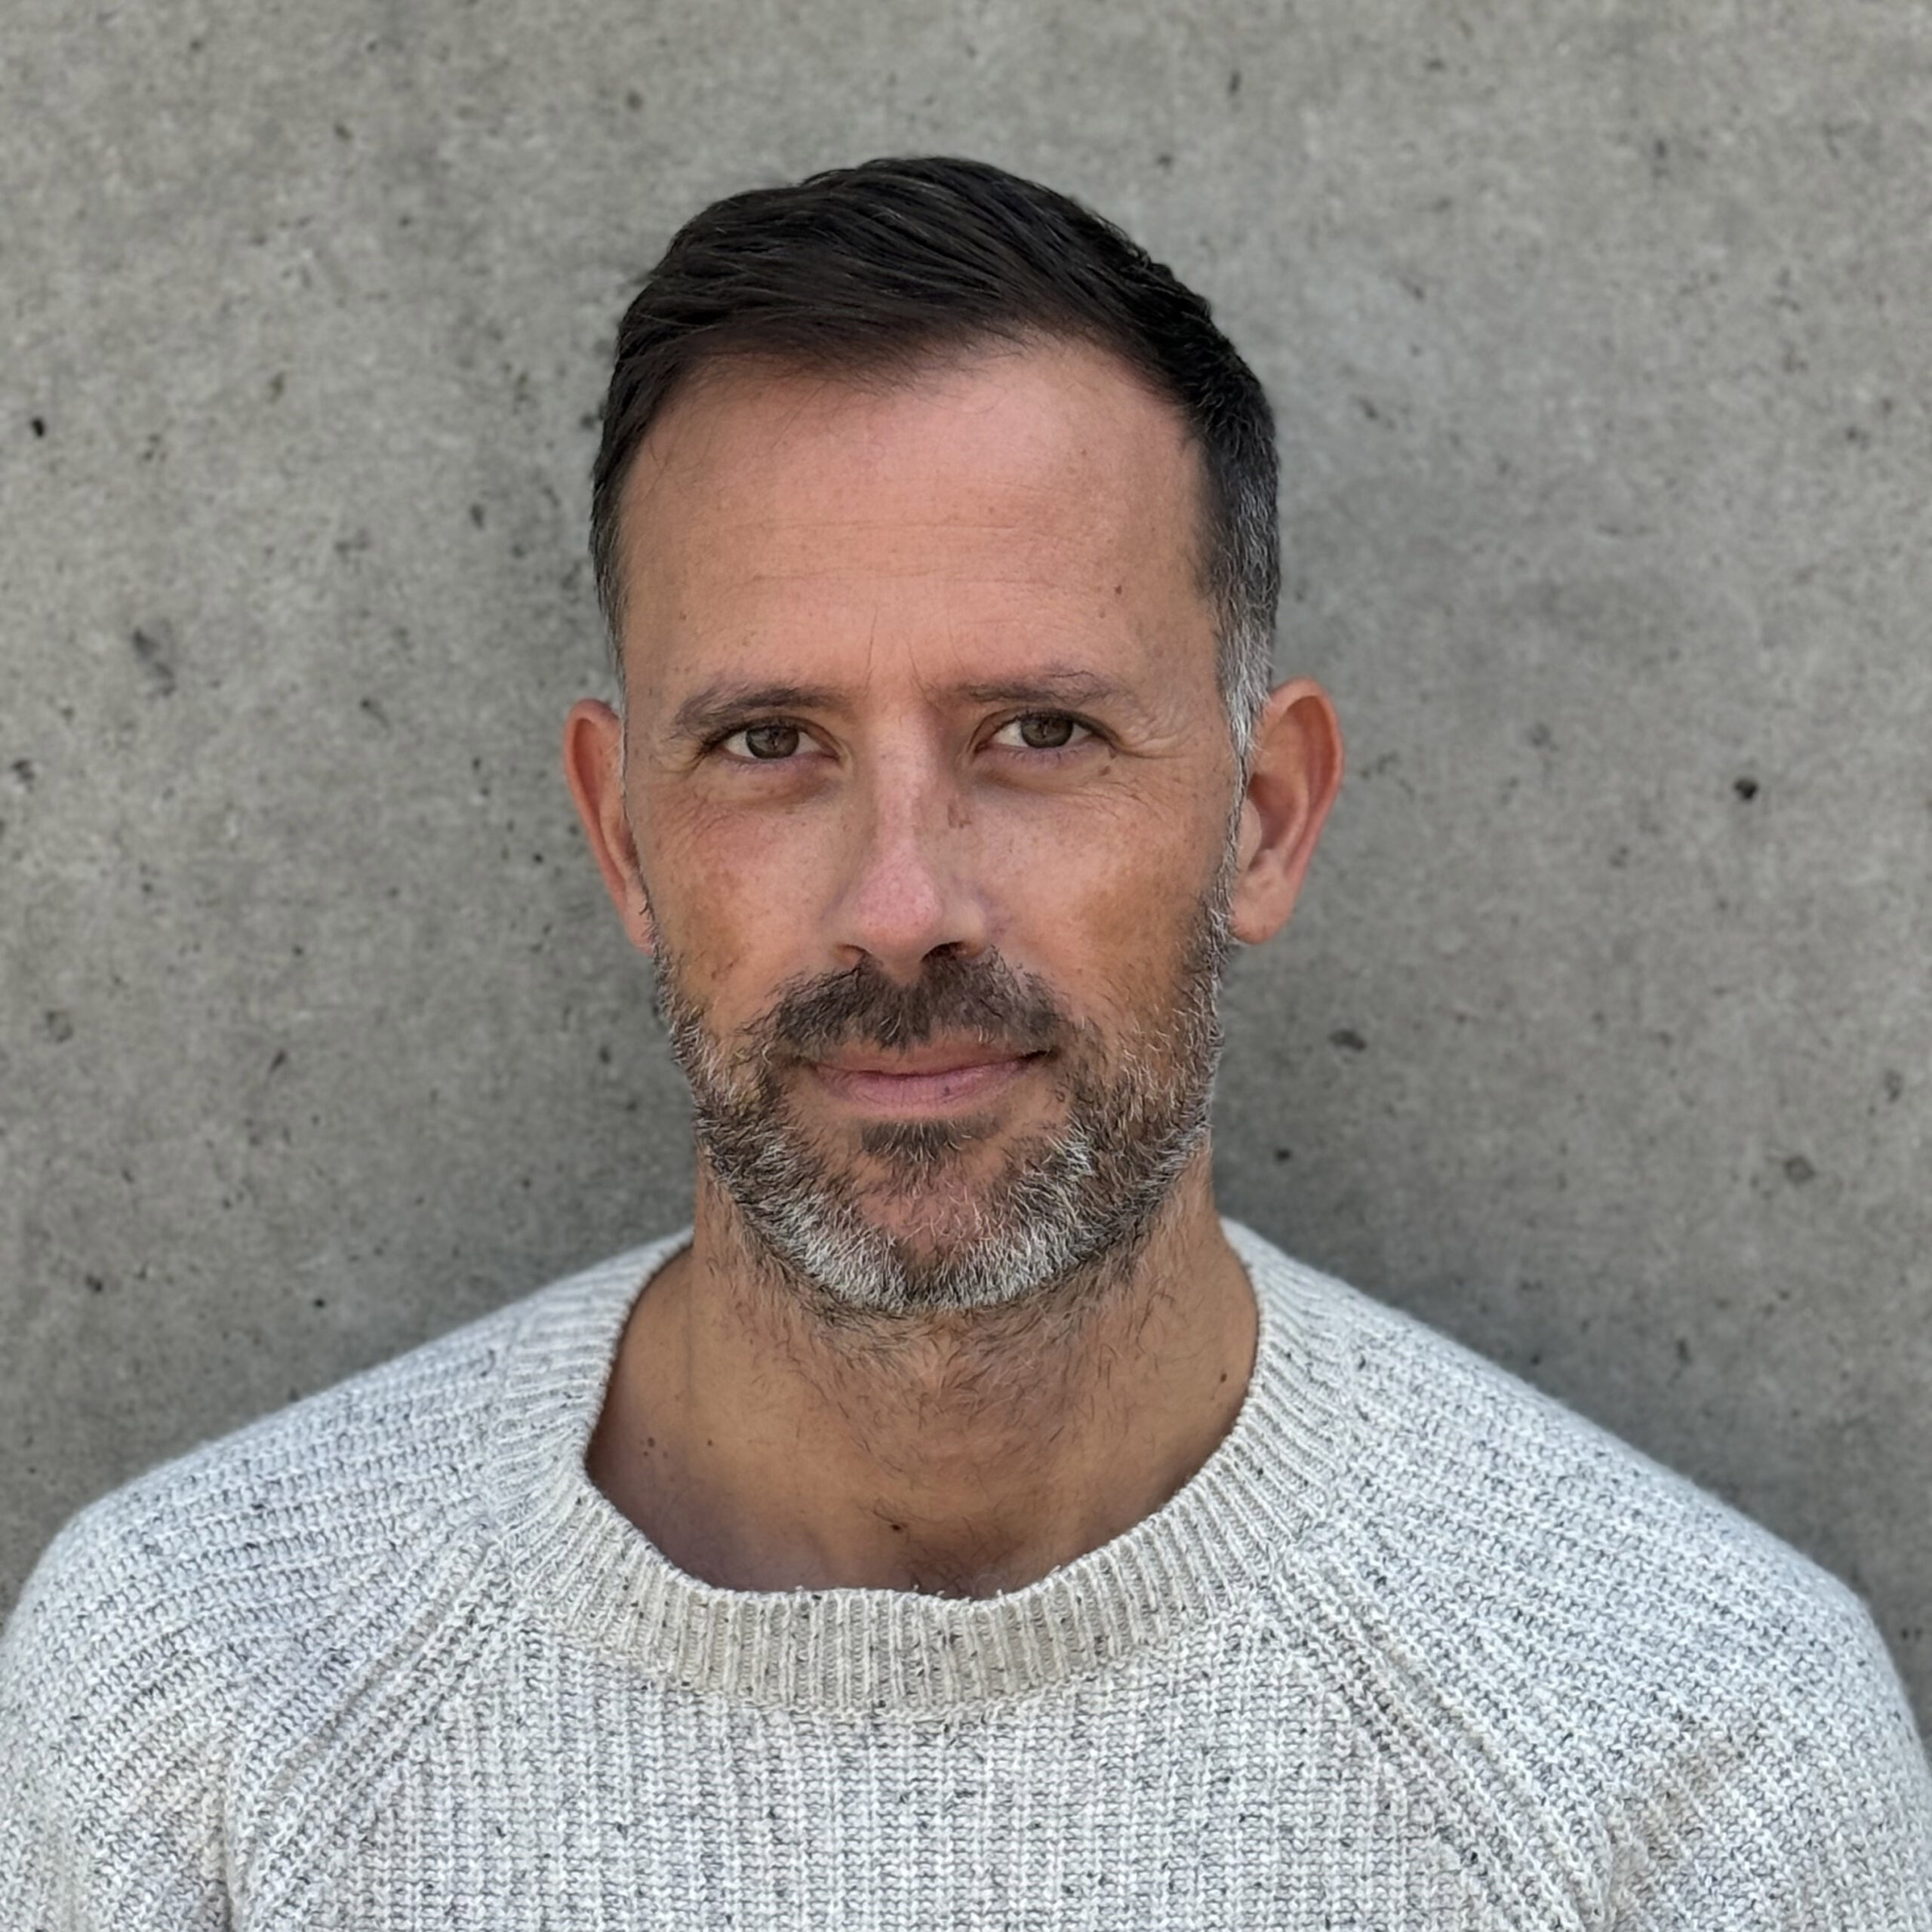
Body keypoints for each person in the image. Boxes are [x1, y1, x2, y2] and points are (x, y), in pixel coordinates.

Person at [2, 155, 1927, 1930]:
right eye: (769, 745)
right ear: (621, 837)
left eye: (1039, 733)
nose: (903, 899)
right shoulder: (198, 1707)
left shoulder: (1688, 1755)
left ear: (1258, 815)